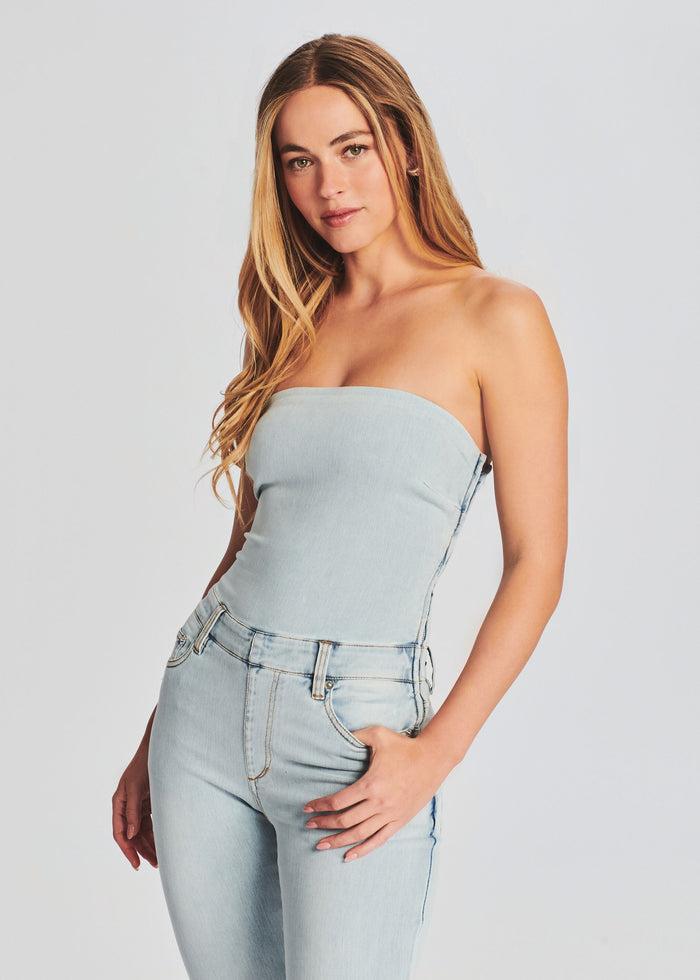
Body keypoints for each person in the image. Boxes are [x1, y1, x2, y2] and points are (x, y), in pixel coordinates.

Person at [112, 32, 568, 980]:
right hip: (204, 706)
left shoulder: (497, 317)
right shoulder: (291, 318)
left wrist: (436, 753)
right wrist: (154, 734)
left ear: (404, 144)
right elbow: (249, 541)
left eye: (352, 148)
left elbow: (537, 564)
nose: (329, 186)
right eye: (299, 161)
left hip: (356, 730)